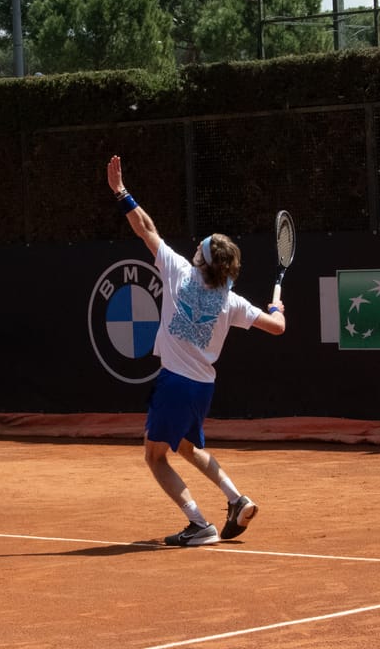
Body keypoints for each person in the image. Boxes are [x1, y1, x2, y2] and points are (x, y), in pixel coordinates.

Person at [106, 154, 286, 547]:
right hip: (202, 390)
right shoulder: (232, 301)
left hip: (174, 385)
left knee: (155, 457)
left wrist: (121, 192)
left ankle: (199, 524)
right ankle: (237, 499)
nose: (196, 250)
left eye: (200, 249)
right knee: (186, 447)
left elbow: (145, 227)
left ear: (202, 259)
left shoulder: (177, 271)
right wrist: (277, 307)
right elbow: (277, 327)